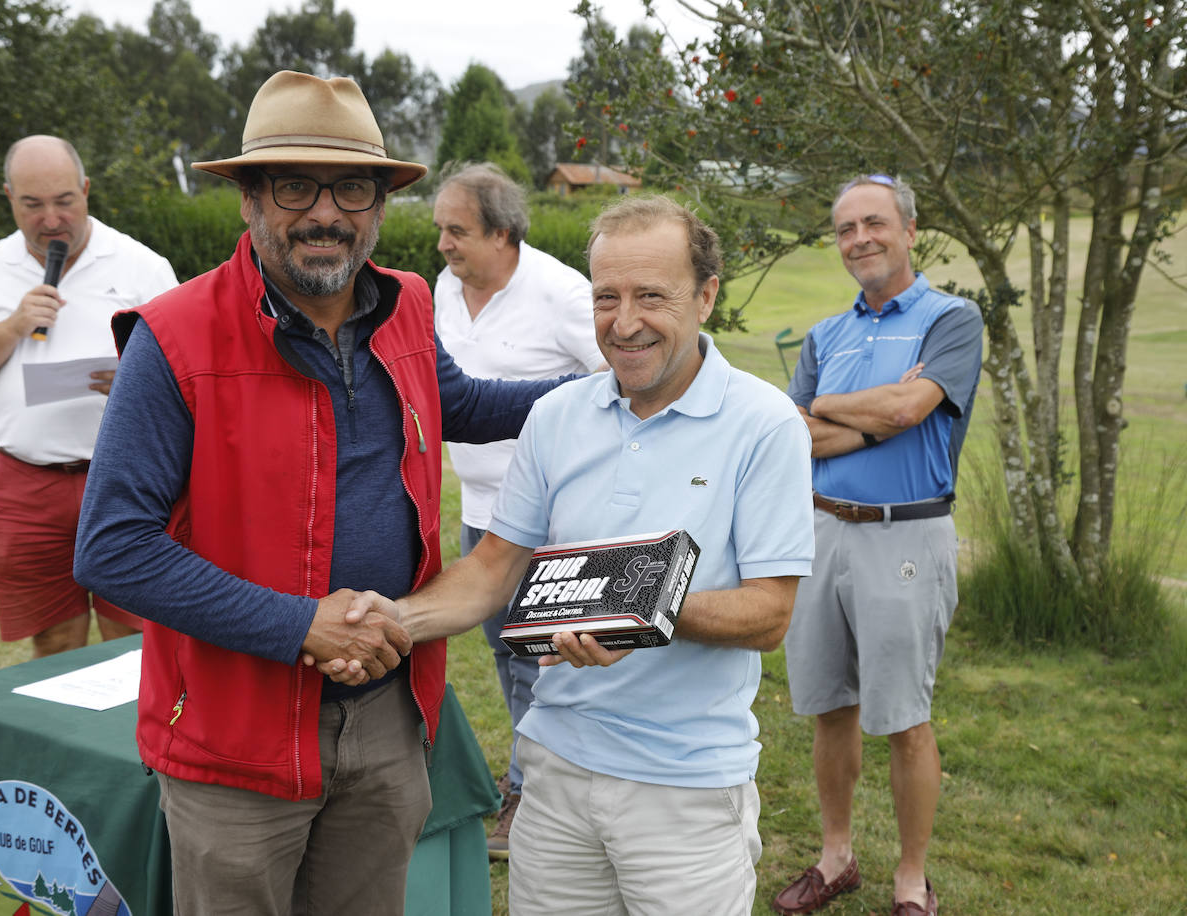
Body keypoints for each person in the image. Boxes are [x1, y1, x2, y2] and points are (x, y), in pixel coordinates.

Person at [72, 70, 569, 915]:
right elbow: (112, 547)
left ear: (379, 204)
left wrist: (599, 391)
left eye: (351, 186)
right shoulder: (176, 337)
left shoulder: (408, 303)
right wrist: (300, 625)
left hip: (384, 709)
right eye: (296, 185)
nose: (326, 212)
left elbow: (460, 404)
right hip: (235, 734)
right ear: (250, 201)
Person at [321, 195, 814, 914]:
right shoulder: (557, 416)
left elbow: (770, 613)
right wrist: (389, 618)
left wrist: (634, 610)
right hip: (553, 773)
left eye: (652, 296)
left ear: (706, 296)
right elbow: (493, 569)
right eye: (605, 297)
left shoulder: (764, 424)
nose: (624, 322)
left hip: (686, 788)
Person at [770, 174, 984, 916]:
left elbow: (909, 406)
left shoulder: (950, 320)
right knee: (831, 708)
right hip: (823, 529)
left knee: (904, 715)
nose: (859, 238)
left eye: (874, 223)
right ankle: (837, 859)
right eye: (845, 229)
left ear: (909, 230)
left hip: (907, 534)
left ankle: (911, 881)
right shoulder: (826, 335)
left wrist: (834, 407)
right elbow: (797, 433)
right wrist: (870, 415)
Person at [432, 161, 607, 858]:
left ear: (504, 233)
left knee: (540, 660)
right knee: (506, 657)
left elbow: (616, 369)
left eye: (457, 231)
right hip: (481, 508)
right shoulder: (445, 288)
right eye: (440, 229)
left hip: (549, 517)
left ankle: (536, 799)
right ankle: (526, 780)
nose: (443, 244)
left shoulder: (561, 291)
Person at [0, 135, 177, 658]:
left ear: (87, 190)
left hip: (129, 479)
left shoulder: (141, 266)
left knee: (139, 640)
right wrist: (13, 326)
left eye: (64, 201)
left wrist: (139, 384)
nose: (51, 219)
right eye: (33, 204)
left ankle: (131, 742)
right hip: (24, 485)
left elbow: (189, 376)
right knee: (54, 644)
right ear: (9, 198)